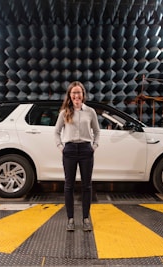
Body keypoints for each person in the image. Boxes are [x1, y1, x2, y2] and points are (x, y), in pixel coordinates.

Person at [54, 81, 100, 232]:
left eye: (78, 92)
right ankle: (71, 219)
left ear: (83, 95)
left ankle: (86, 218)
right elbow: (56, 132)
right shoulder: (64, 112)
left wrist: (94, 146)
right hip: (70, 150)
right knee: (69, 185)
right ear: (70, 95)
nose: (76, 95)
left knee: (87, 186)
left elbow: (97, 131)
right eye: (73, 92)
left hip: (86, 150)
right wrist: (61, 147)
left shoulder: (90, 112)